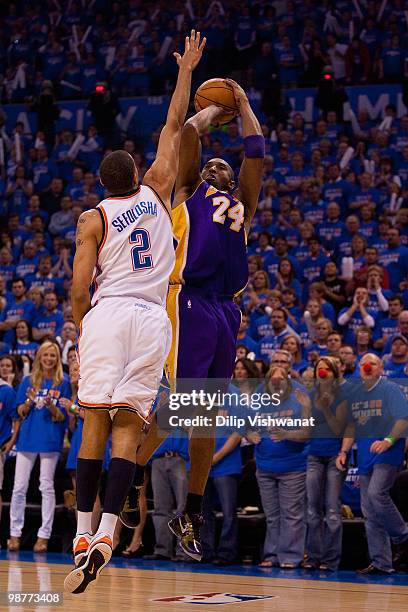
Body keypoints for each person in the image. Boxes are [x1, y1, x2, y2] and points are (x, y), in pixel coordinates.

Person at [63, 31, 206, 594]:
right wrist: (186, 70)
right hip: (153, 317)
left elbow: (79, 288)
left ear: (103, 183)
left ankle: (80, 533)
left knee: (93, 420)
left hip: (110, 312)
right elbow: (174, 125)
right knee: (129, 425)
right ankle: (106, 533)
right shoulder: (157, 193)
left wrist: (82, 324)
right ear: (138, 176)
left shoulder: (93, 219)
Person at [123, 78, 264, 561]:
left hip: (227, 310)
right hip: (188, 301)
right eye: (212, 162)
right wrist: (209, 113)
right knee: (182, 403)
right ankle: (132, 475)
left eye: (224, 164)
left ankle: (193, 511)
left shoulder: (244, 203)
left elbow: (257, 151)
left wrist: (242, 104)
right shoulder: (188, 190)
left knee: (205, 417)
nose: (218, 164)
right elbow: (184, 132)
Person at [336, 353, 408, 574]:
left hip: (388, 453)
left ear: (381, 368)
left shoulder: (390, 389)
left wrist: (388, 441)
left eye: (373, 364)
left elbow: (403, 419)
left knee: (377, 494)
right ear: (358, 367)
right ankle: (382, 563)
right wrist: (344, 451)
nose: (367, 366)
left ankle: (403, 536)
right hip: (365, 456)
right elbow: (350, 426)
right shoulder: (355, 393)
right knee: (369, 511)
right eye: (364, 363)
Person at [8, 342, 70, 553]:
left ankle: (43, 536)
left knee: (46, 486)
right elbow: (19, 412)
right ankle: (14, 534)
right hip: (26, 439)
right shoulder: (27, 380)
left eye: (53, 355)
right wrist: (28, 401)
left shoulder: (64, 382)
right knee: (19, 487)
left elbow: (63, 416)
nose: (49, 359)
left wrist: (52, 406)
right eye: (46, 355)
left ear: (57, 358)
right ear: (39, 357)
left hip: (50, 440)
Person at [249, 366, 311, 569]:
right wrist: (249, 434)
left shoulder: (300, 395)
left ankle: (291, 556)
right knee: (272, 516)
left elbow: (307, 433)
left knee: (292, 514)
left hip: (292, 466)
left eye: (280, 380)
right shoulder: (259, 395)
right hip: (265, 466)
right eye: (272, 380)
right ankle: (273, 554)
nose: (276, 383)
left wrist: (286, 434)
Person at [305, 357, 349, 571]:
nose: (322, 372)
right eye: (319, 369)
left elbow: (338, 427)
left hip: (334, 456)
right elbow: (307, 428)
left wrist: (325, 408)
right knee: (313, 510)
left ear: (333, 373)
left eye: (326, 369)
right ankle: (313, 557)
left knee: (332, 510)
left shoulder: (342, 395)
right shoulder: (310, 395)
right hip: (313, 455)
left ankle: (330, 560)